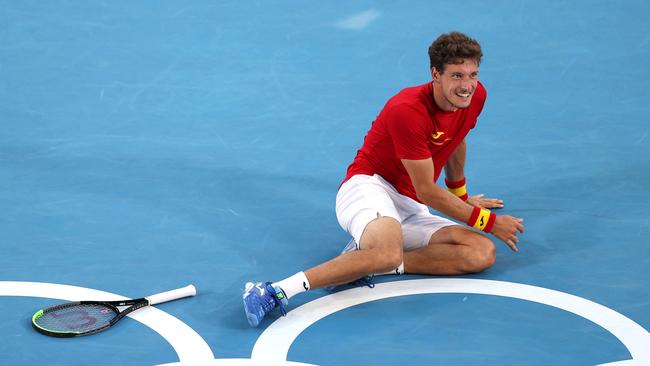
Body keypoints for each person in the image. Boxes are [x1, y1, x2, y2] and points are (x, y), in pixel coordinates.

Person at [243, 31, 525, 327]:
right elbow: (428, 191)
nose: (467, 86)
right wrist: (489, 222)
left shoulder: (475, 96)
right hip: (369, 186)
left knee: (480, 253)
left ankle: (366, 264)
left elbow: (456, 139)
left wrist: (461, 195)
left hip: (410, 203)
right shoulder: (408, 110)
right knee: (387, 251)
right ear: (435, 74)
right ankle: (273, 291)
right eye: (457, 76)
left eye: (472, 74)